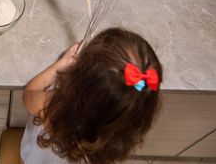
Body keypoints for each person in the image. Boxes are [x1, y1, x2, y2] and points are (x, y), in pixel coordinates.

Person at [21, 28, 163, 164]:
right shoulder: (123, 127)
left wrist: (62, 64)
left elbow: (29, 93)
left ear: (78, 78)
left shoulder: (56, 108)